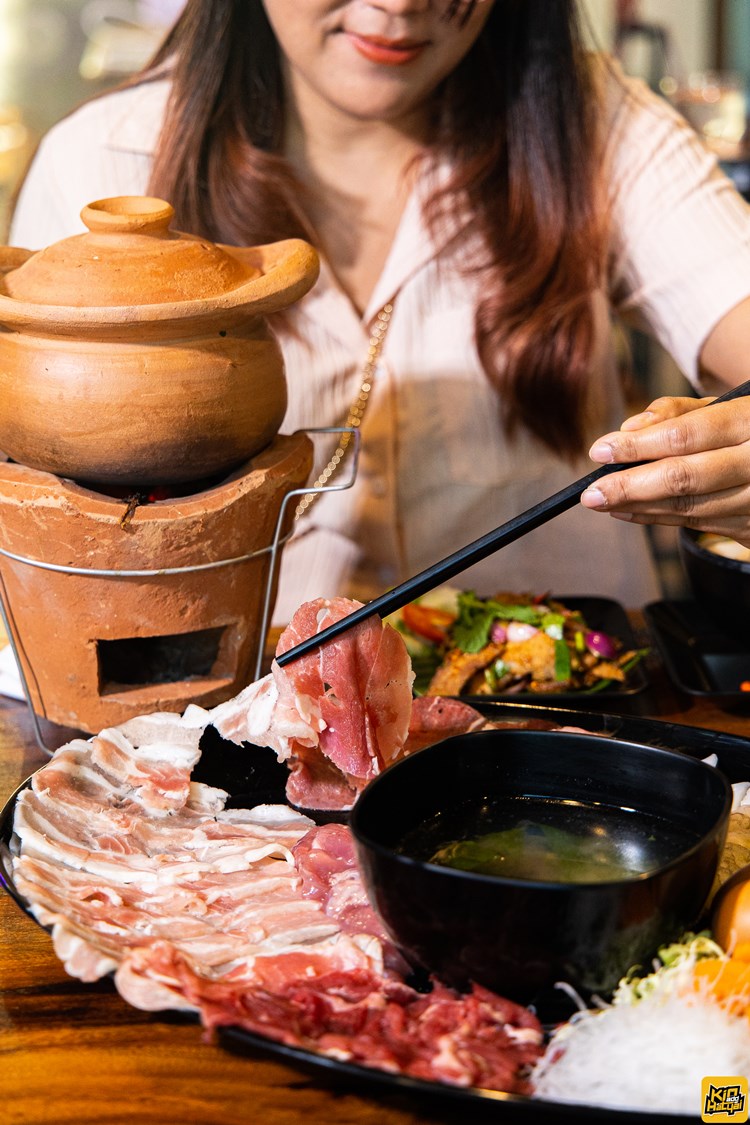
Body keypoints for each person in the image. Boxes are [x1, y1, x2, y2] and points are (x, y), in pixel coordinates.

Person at [9, 0, 750, 624]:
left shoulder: (591, 122)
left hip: (565, 721)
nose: (399, 5)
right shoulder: (103, 161)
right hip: (223, 730)